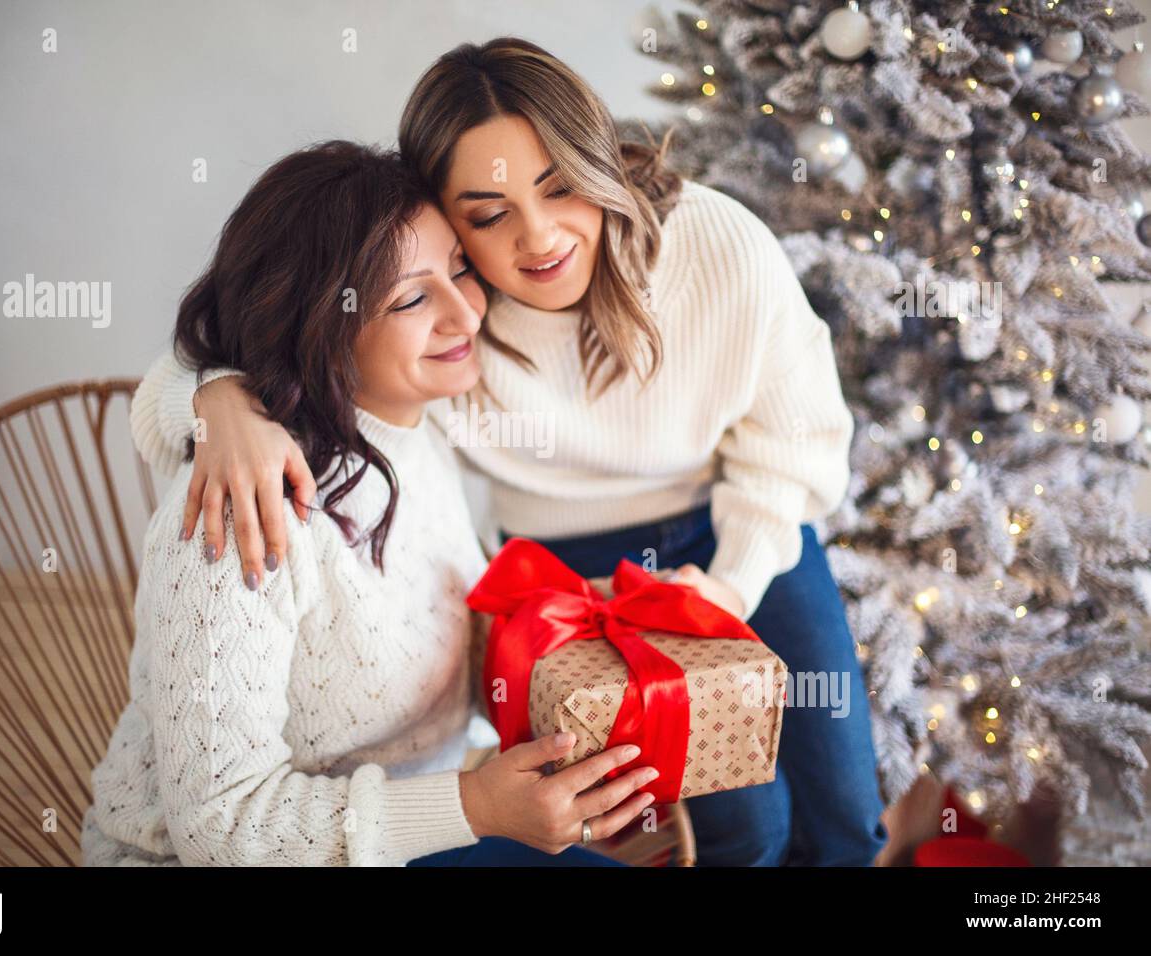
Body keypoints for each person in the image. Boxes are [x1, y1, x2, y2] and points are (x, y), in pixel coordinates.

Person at [129, 39, 889, 867]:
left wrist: (730, 584)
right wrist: (218, 400)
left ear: (599, 162)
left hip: (743, 520)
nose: (538, 239)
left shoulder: (713, 249)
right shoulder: (449, 321)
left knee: (845, 804)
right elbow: (267, 313)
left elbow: (795, 444)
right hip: (567, 557)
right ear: (445, 217)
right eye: (487, 216)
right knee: (744, 823)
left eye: (561, 186)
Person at [82, 141, 657, 867]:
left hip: (413, 831)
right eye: (412, 297)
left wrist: (587, 616)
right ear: (318, 324)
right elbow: (219, 825)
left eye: (459, 270)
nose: (465, 313)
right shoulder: (244, 514)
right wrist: (475, 804)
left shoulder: (419, 428)